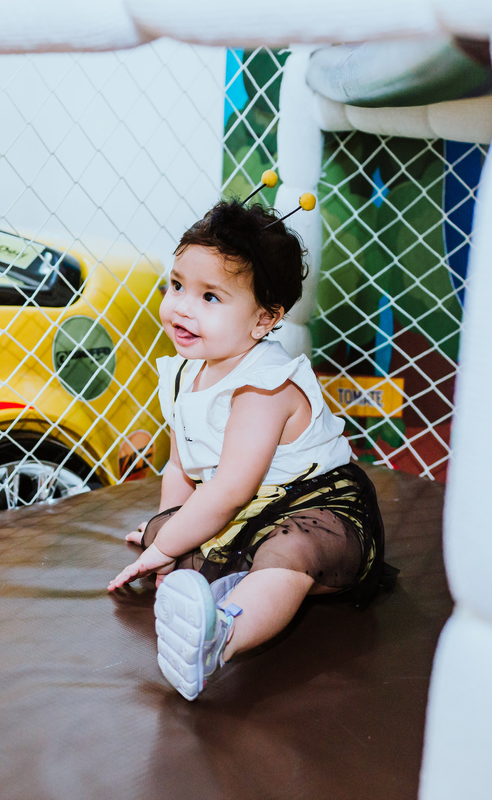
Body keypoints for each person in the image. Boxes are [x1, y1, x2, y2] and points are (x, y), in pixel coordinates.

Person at [106, 198, 392, 701]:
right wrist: (166, 533)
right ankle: (207, 597)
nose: (182, 307)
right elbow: (180, 467)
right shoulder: (181, 373)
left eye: (210, 297)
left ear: (264, 319)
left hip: (320, 508)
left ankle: (222, 636)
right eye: (176, 285)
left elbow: (231, 490)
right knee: (173, 537)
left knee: (288, 551)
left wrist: (164, 546)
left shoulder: (264, 387)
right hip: (246, 508)